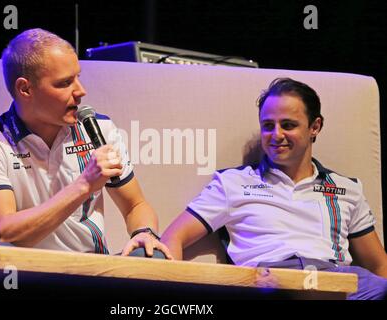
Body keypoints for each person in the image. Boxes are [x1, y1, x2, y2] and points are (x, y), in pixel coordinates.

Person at [161, 77, 387, 299]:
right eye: (268, 126)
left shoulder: (346, 189)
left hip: (337, 282)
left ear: (314, 127)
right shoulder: (233, 183)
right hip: (270, 281)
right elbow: (174, 237)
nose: (276, 135)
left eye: (288, 125)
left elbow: (378, 264)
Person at [0, 28, 172, 259]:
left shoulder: (99, 129)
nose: (81, 91)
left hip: (89, 268)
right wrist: (84, 185)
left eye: (78, 78)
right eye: (64, 83)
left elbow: (135, 205)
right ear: (25, 89)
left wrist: (144, 232)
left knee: (151, 255)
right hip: (19, 272)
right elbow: (4, 232)